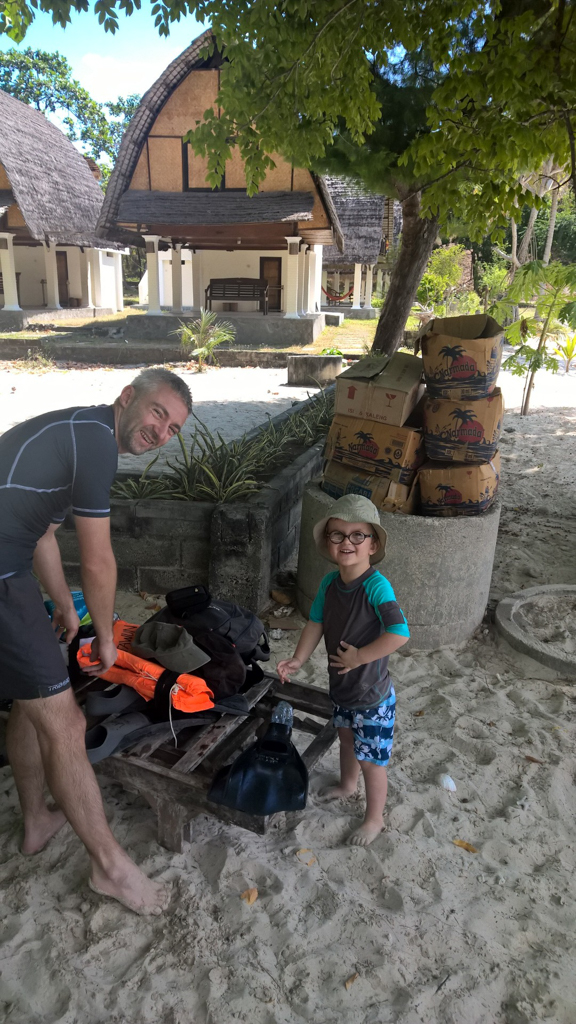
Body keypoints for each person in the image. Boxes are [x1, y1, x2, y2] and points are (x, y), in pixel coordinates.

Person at [0, 368, 192, 915]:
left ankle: (36, 822)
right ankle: (110, 867)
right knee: (65, 722)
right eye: (158, 413)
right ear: (127, 397)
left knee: (33, 700)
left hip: (10, 568)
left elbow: (41, 533)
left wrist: (64, 605)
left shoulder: (78, 433)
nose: (161, 432)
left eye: (173, 429)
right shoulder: (95, 443)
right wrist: (105, 637)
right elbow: (99, 560)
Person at [277, 494, 409, 847]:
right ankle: (347, 785)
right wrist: (298, 659)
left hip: (371, 693)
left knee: (372, 761)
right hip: (342, 688)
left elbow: (399, 632)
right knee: (347, 740)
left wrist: (360, 657)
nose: (347, 542)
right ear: (328, 541)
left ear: (373, 544)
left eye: (357, 535)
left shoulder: (376, 586)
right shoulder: (328, 584)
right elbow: (315, 622)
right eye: (337, 534)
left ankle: (375, 818)